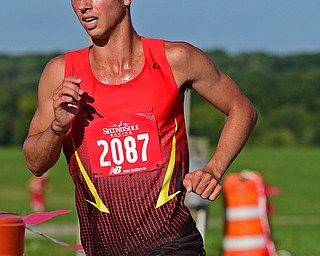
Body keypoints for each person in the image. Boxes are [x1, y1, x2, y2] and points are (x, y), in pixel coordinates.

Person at [23, 0, 257, 255]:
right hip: (102, 248)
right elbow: (36, 164)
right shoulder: (62, 74)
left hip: (173, 243)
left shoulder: (176, 59)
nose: (83, 5)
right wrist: (58, 127)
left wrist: (213, 169)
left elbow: (242, 109)